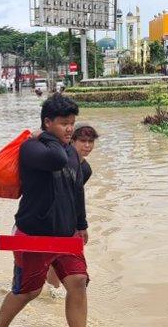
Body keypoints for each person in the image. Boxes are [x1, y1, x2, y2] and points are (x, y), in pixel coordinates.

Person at [0, 94, 88, 327]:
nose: (70, 129)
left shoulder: (70, 153)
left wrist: (81, 225)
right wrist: (48, 138)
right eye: (63, 123)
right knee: (28, 292)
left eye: (72, 123)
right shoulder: (31, 148)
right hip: (34, 235)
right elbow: (56, 160)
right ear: (47, 122)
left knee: (78, 281)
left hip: (66, 235)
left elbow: (77, 190)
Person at [46, 122, 99, 298]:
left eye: (90, 142)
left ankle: (52, 291)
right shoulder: (61, 160)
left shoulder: (86, 169)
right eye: (83, 141)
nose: (87, 146)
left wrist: (79, 225)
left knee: (59, 256)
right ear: (72, 141)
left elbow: (75, 197)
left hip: (67, 219)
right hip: (47, 215)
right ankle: (48, 290)